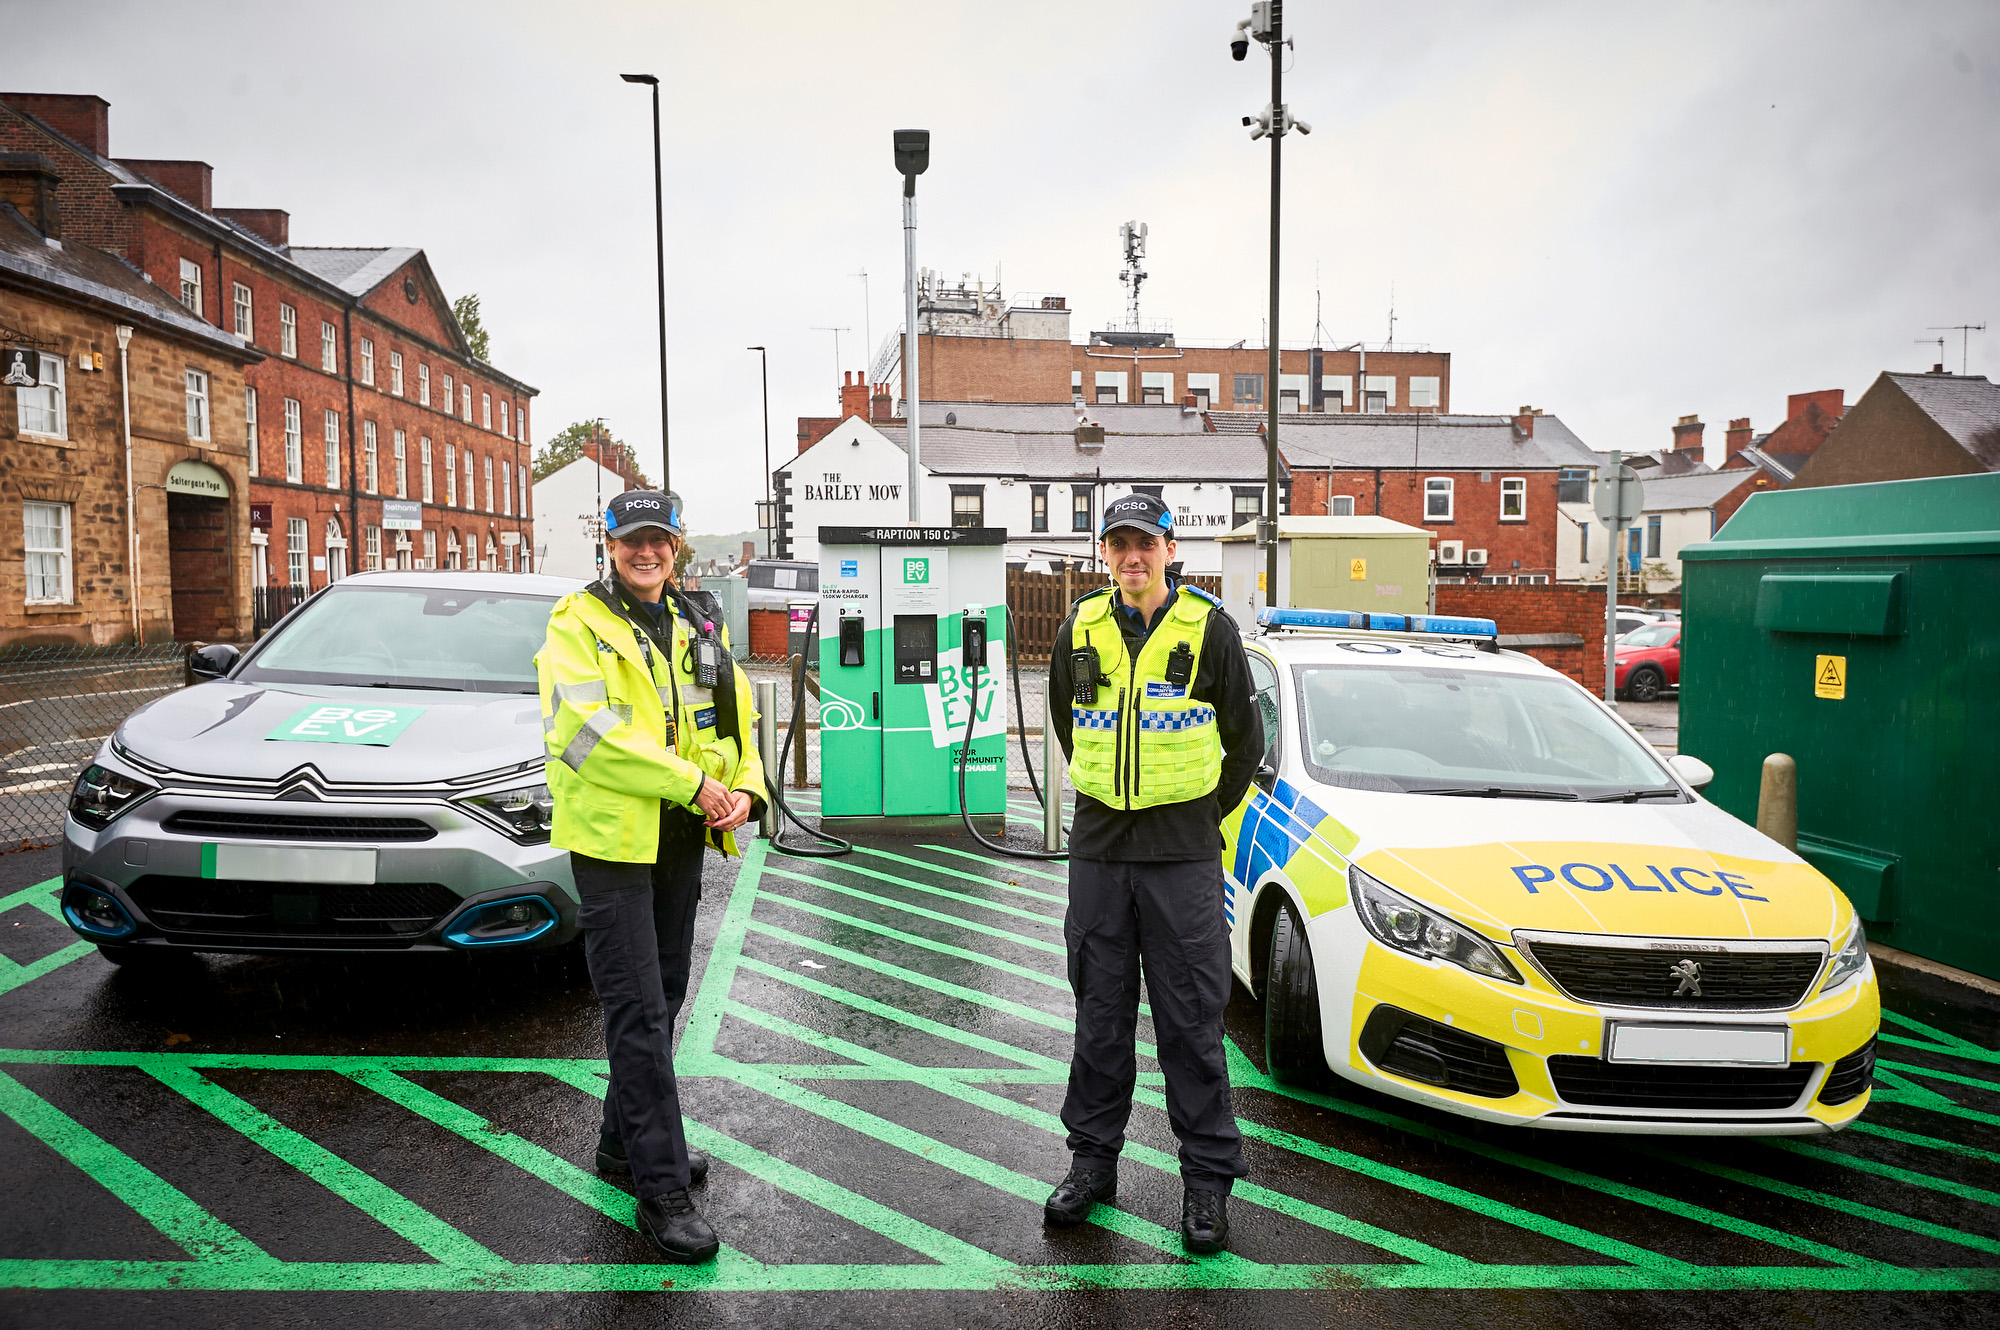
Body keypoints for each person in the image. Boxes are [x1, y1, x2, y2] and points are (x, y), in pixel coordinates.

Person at [536, 489, 767, 1263]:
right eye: (632, 539)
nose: (646, 552)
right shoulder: (578, 624)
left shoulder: (698, 620)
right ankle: (661, 1189)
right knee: (636, 1007)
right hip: (612, 843)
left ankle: (620, 1145)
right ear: (609, 544)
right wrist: (691, 784)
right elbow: (588, 734)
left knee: (663, 995)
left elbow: (736, 719)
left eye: (658, 540)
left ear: (678, 545)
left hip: (679, 840)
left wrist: (748, 788)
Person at [1042, 492, 1265, 1255]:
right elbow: (1071, 729)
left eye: (1145, 543)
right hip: (1102, 849)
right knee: (1098, 1018)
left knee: (1191, 1022)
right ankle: (1091, 1165)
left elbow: (1244, 741)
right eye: (1117, 544)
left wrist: (1200, 819)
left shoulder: (1211, 630)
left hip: (1181, 854)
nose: (1131, 557)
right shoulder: (1080, 627)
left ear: (1171, 549)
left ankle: (1205, 1183)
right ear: (1103, 553)